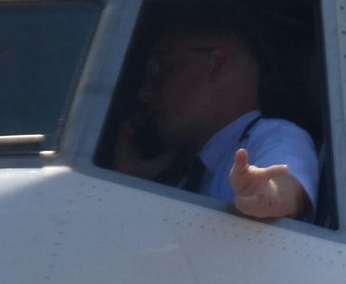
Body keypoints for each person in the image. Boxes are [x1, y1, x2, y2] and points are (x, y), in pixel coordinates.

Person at [113, 26, 318, 221]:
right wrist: (129, 181)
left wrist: (265, 195)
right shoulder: (187, 168)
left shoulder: (275, 136)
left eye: (160, 68)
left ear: (216, 65)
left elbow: (285, 187)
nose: (144, 93)